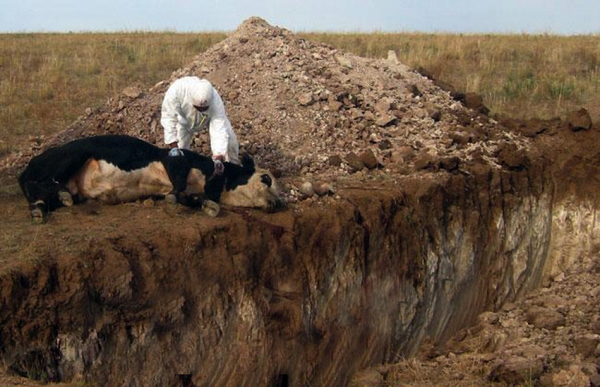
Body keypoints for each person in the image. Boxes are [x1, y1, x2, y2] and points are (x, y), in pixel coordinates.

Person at [160, 76, 239, 174]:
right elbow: (168, 117)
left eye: (204, 109)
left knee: (231, 142)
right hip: (184, 121)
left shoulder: (215, 101)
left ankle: (233, 171)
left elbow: (218, 128)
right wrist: (174, 146)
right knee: (179, 156)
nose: (201, 110)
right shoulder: (177, 90)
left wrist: (219, 157)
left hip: (207, 119)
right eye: (198, 108)